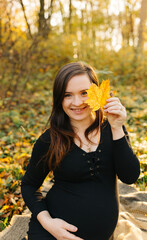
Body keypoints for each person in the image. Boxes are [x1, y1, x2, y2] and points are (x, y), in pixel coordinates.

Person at [21, 62, 140, 240]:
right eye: (68, 95)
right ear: (59, 99)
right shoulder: (49, 140)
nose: (77, 103)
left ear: (97, 93)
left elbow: (130, 176)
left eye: (84, 93)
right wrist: (49, 223)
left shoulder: (112, 129)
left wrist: (117, 128)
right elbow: (29, 185)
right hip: (53, 231)